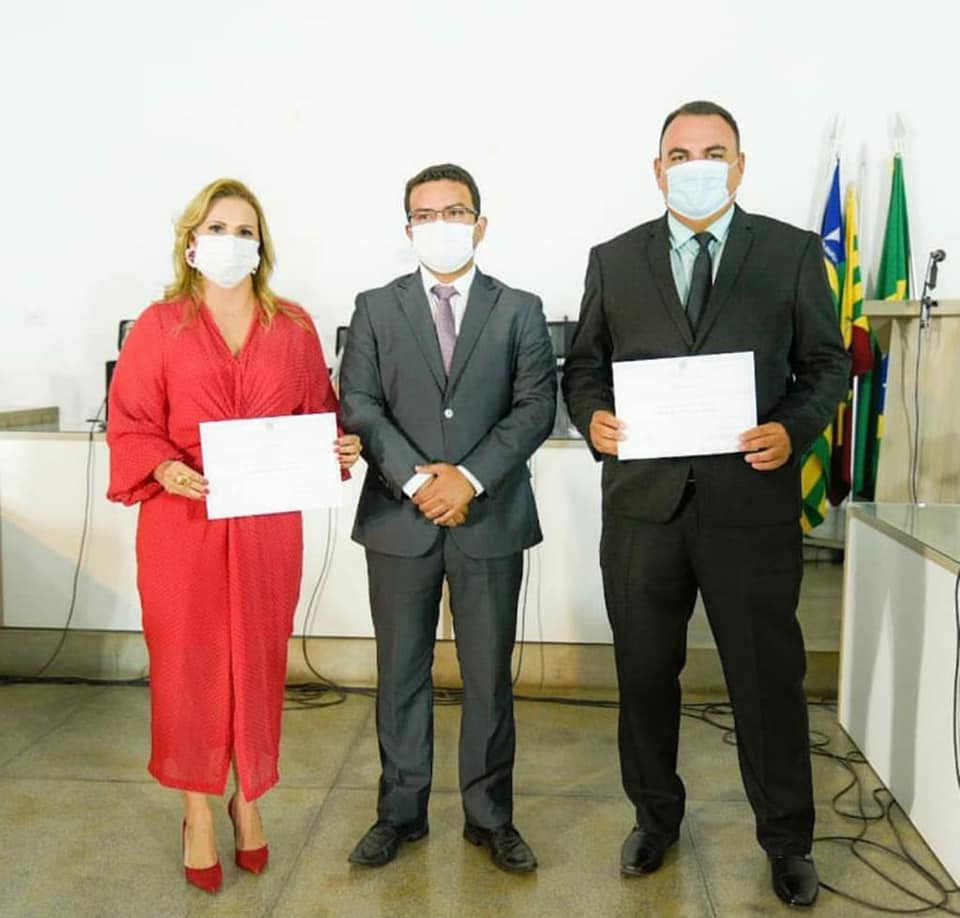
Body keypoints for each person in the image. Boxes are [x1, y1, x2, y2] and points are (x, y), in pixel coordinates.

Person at [562, 101, 849, 908]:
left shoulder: (791, 253)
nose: (697, 166)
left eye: (713, 152)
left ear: (740, 165)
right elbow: (583, 369)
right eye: (680, 154)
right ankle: (655, 819)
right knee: (644, 674)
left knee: (767, 680)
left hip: (749, 506)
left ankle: (787, 840)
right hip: (642, 510)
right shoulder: (614, 259)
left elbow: (826, 365)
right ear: (658, 171)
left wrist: (791, 429)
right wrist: (593, 418)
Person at [106, 178, 361, 893]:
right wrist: (163, 465)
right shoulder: (159, 326)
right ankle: (196, 809)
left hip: (266, 530)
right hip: (183, 523)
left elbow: (319, 414)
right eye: (217, 228)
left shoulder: (294, 326)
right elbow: (130, 422)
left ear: (261, 245)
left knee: (256, 660)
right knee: (188, 666)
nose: (231, 241)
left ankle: (247, 797)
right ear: (191, 242)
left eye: (244, 230)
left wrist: (339, 445)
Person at [339, 163, 557, 873]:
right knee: (400, 671)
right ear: (408, 229)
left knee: (488, 676)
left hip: (488, 516)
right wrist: (415, 479)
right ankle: (400, 814)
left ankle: (490, 818)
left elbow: (536, 406)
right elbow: (360, 403)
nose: (441, 225)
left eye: (455, 212)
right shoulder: (375, 307)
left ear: (480, 225)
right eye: (425, 215)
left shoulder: (519, 308)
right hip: (398, 519)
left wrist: (467, 478)